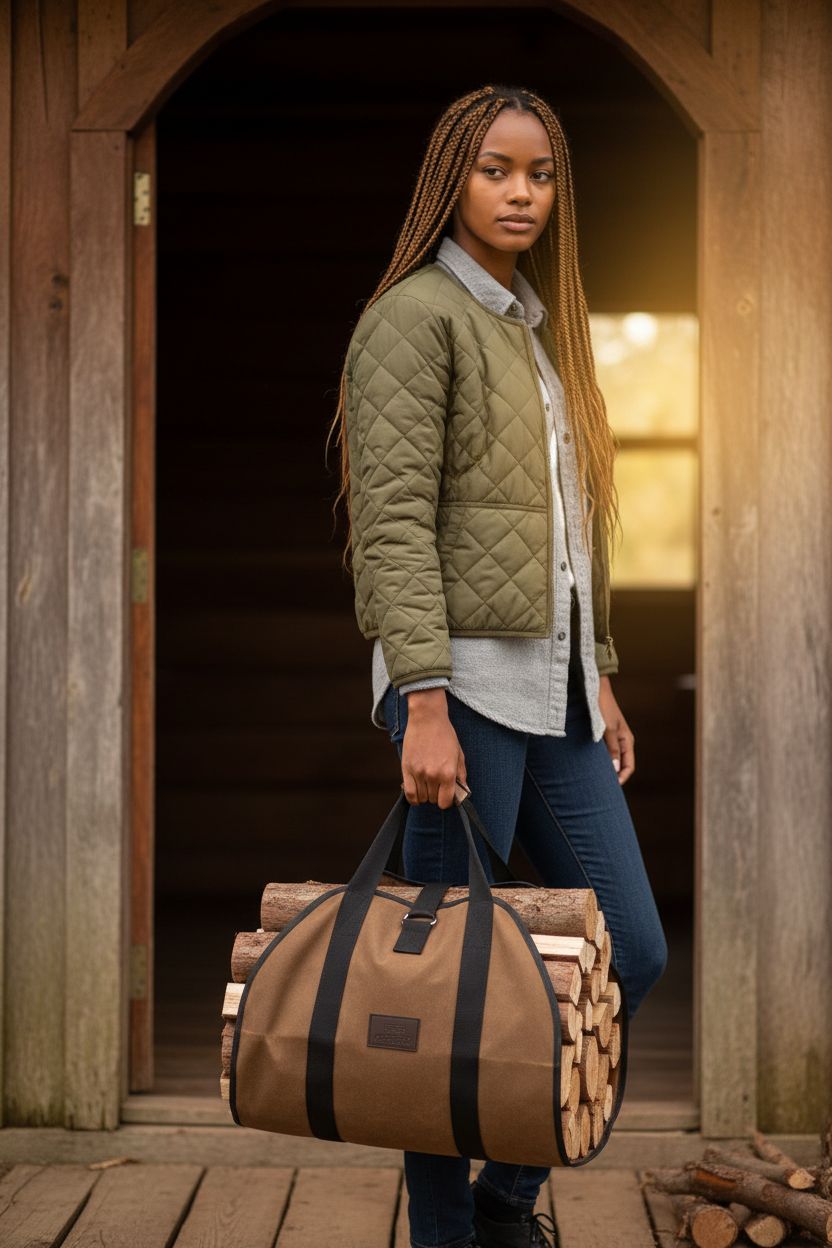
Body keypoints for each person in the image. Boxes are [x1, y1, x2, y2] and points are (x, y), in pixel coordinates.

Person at [328, 82, 668, 1248]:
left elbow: (567, 529)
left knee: (631, 946)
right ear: (450, 180)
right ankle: (445, 1237)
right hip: (461, 693)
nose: (521, 192)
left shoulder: (534, 325)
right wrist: (420, 700)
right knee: (441, 990)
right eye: (496, 170)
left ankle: (502, 1199)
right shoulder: (413, 319)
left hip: (556, 696)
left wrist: (601, 673)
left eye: (539, 174)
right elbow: (392, 526)